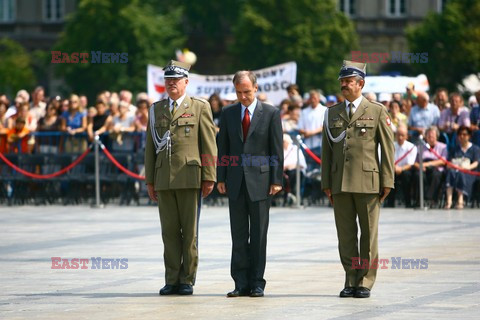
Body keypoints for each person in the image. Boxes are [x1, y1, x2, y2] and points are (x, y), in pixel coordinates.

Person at [321, 60, 394, 299]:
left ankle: (365, 281)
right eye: (342, 81)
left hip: (368, 182)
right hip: (339, 182)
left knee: (369, 234)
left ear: (360, 84)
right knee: (346, 235)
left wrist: (387, 181)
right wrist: (326, 183)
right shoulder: (332, 113)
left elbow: (387, 148)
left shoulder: (377, 111)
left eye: (348, 81)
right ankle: (350, 278)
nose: (344, 85)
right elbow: (327, 152)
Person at [144, 60, 217, 296]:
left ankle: (187, 279)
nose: (171, 83)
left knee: (190, 232)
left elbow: (208, 145)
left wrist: (209, 176)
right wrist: (150, 180)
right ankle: (171, 278)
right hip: (164, 178)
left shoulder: (199, 107)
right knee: (169, 232)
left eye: (175, 80)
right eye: (168, 80)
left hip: (190, 176)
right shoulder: (156, 109)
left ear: (186, 82)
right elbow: (149, 148)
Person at [217, 70, 283, 298]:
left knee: (258, 234)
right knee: (237, 234)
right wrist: (221, 177)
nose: (243, 96)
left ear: (256, 88)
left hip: (261, 182)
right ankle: (240, 282)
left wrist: (276, 179)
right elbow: (222, 147)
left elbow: (276, 148)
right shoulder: (228, 113)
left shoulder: (271, 113)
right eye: (238, 92)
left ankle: (257, 282)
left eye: (246, 92)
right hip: (235, 181)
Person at [444, 126, 480, 209]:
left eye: (464, 134)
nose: (462, 136)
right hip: (455, 170)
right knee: (450, 173)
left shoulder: (475, 149)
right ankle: (449, 201)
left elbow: (476, 163)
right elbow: (449, 161)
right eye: (460, 134)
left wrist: (467, 167)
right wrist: (452, 166)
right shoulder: (455, 149)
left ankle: (460, 200)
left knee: (461, 174)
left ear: (469, 136)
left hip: (470, 172)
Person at [412, 126, 447, 208]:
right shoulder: (420, 147)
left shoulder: (443, 147)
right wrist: (420, 166)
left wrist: (428, 164)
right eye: (429, 136)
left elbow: (443, 161)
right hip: (423, 167)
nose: (430, 138)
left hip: (436, 167)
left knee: (436, 175)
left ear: (436, 136)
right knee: (418, 175)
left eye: (432, 136)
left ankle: (431, 199)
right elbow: (415, 162)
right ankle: (419, 199)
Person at [386, 124, 417, 208]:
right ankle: (390, 203)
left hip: (406, 170)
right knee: (389, 175)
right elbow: (388, 159)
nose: (400, 137)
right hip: (393, 169)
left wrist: (401, 169)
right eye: (398, 135)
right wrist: (395, 168)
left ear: (406, 136)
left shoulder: (412, 147)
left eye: (402, 135)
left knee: (406, 175)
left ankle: (408, 202)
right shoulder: (391, 145)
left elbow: (411, 163)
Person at [298, 89, 327, 170]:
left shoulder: (324, 110)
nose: (313, 100)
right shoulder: (304, 112)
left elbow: (324, 126)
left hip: (320, 144)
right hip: (307, 146)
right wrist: (305, 132)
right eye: (311, 98)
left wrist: (311, 133)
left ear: (318, 99)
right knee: (309, 168)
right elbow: (300, 127)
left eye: (315, 98)